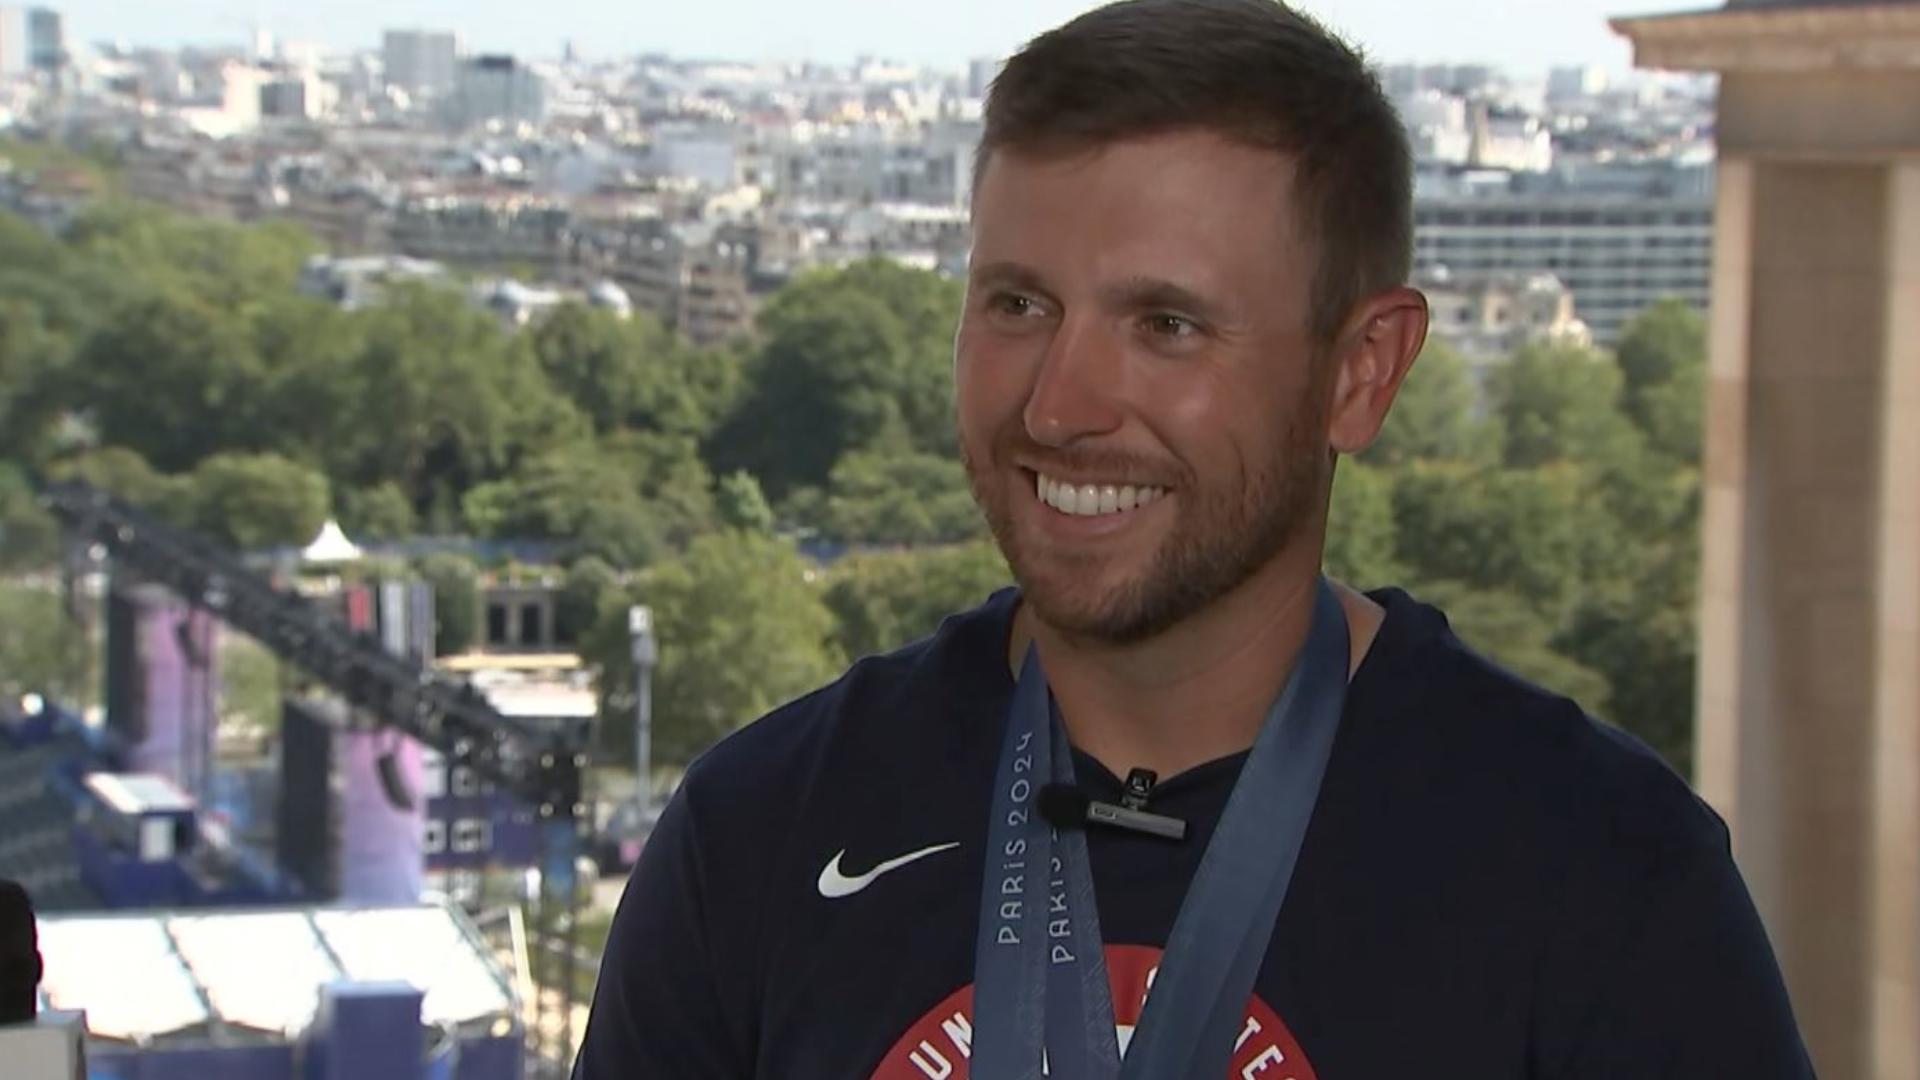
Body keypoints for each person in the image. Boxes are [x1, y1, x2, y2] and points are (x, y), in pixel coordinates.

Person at [573, 0, 1815, 1076]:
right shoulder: (757, 836)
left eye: (1165, 325)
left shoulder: (1601, 881)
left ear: (1361, 373)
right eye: (1018, 304)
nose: (1058, 404)